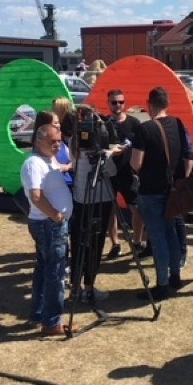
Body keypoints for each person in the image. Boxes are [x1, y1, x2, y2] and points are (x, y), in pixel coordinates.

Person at [130, 87, 193, 301]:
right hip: (173, 189)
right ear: (167, 103)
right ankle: (175, 275)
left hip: (151, 189)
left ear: (149, 104)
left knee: (157, 238)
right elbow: (187, 156)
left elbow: (136, 163)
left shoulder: (144, 129)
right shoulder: (177, 124)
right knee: (171, 234)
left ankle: (162, 284)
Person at [20, 124, 76, 335]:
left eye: (59, 140)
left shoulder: (48, 160)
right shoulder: (34, 163)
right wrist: (56, 215)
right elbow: (36, 196)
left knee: (45, 269)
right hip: (49, 224)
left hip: (50, 223)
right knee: (56, 272)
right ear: (38, 141)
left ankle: (39, 313)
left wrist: (69, 166)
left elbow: (57, 171)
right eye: (52, 141)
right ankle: (52, 322)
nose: (57, 144)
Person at [70, 105, 118, 303]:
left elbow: (74, 166)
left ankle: (75, 287)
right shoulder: (100, 141)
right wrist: (110, 153)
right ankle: (88, 287)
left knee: (79, 242)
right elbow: (111, 171)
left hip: (80, 198)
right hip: (100, 198)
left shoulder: (74, 141)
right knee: (95, 243)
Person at [102, 89, 142, 259]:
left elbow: (142, 146)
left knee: (136, 208)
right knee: (110, 210)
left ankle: (137, 242)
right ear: (108, 103)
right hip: (110, 173)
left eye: (120, 102)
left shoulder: (134, 123)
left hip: (128, 172)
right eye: (114, 102)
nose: (117, 105)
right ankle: (115, 244)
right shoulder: (104, 124)